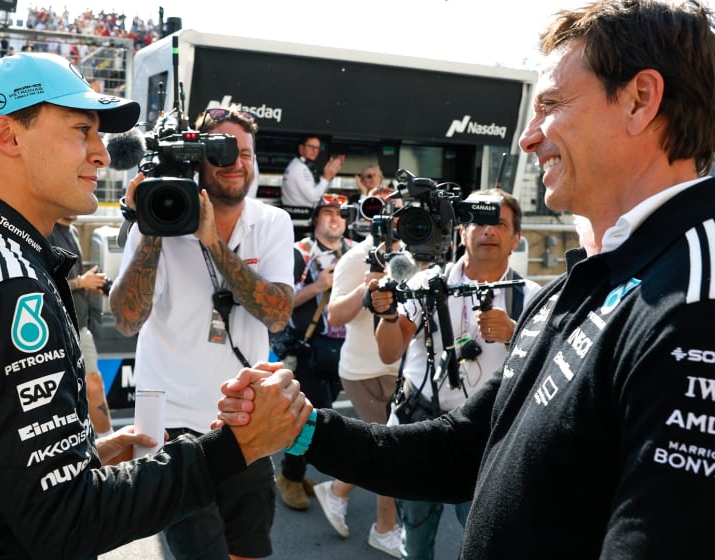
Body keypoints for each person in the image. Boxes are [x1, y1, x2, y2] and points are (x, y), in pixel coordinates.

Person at [217, 1, 715, 557]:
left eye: (550, 104)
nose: (528, 138)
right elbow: (460, 452)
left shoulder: (694, 297)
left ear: (640, 100)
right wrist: (300, 427)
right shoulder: (587, 280)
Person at [0, 51, 310, 559]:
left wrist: (83, 456)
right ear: (7, 135)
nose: (102, 154)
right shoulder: (5, 284)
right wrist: (236, 448)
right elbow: (66, 521)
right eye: (83, 130)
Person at [109, 107, 296, 560]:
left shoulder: (272, 223)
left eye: (245, 153)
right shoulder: (155, 216)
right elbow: (127, 319)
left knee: (247, 551)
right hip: (173, 431)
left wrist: (212, 241)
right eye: (222, 151)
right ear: (196, 160)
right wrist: (154, 223)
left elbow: (276, 315)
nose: (237, 162)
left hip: (244, 421)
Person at [377, 188, 541, 559]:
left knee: (486, 542)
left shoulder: (530, 295)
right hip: (423, 432)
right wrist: (388, 315)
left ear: (516, 238)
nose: (489, 231)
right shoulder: (424, 284)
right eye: (479, 221)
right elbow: (389, 351)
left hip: (488, 441)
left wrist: (515, 331)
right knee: (415, 544)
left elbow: (550, 369)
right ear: (461, 231)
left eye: (499, 223)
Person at [313, 188, 402, 557]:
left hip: (399, 369)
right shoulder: (355, 257)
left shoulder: (413, 257)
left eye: (399, 209)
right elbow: (334, 316)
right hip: (362, 372)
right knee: (388, 453)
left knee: (383, 448)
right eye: (386, 210)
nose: (393, 217)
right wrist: (366, 289)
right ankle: (384, 529)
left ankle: (337, 490)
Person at [275, 193, 354, 511]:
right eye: (328, 213)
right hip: (307, 349)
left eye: (340, 213)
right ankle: (290, 476)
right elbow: (279, 305)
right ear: (316, 219)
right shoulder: (298, 253)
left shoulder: (355, 252)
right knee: (309, 417)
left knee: (319, 414)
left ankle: (297, 470)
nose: (335, 218)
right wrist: (317, 286)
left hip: (343, 349)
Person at [47, 215, 113, 436]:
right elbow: (44, 281)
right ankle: (110, 445)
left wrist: (89, 284)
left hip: (80, 324)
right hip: (61, 327)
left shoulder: (72, 232)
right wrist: (81, 282)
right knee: (92, 383)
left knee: (90, 384)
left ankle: (106, 442)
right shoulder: (48, 231)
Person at [281, 135, 345, 208]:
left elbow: (320, 191)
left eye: (317, 148)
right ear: (301, 148)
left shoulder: (301, 165)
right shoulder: (299, 168)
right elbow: (314, 197)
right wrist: (327, 177)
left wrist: (331, 175)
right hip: (300, 215)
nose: (315, 151)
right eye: (311, 147)